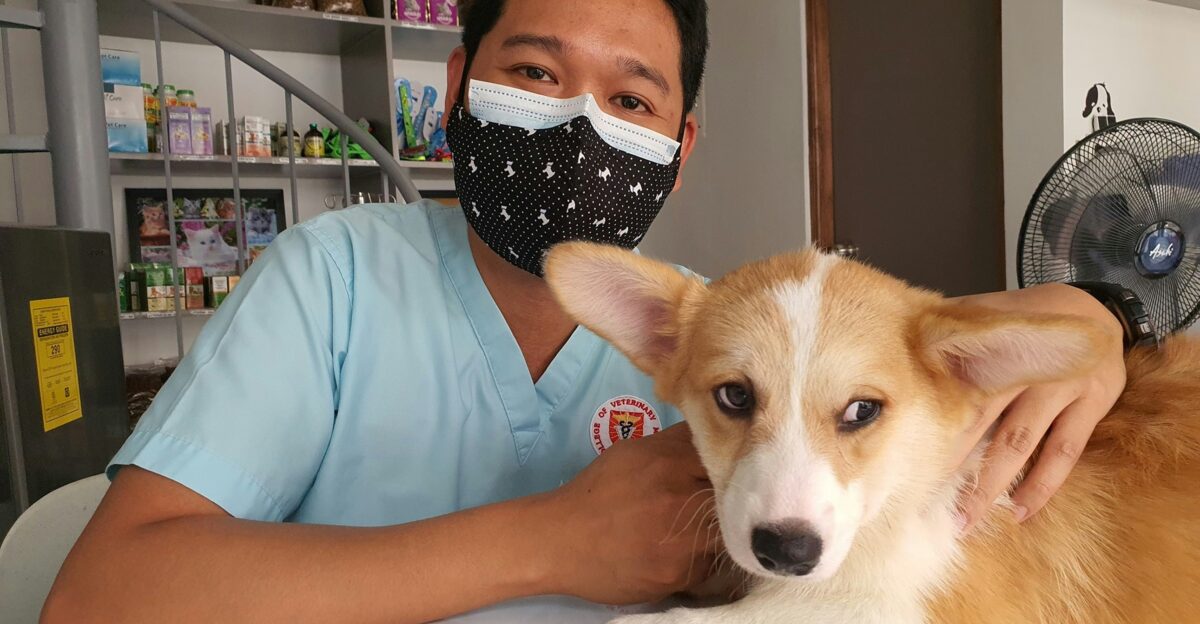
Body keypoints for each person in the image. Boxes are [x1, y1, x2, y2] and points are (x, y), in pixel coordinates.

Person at [42, 0, 1127, 621]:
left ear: (680, 147)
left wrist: (1108, 321)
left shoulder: (714, 335)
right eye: (532, 70)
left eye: (630, 97)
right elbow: (101, 599)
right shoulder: (332, 277)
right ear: (460, 85)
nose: (576, 123)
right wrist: (551, 541)